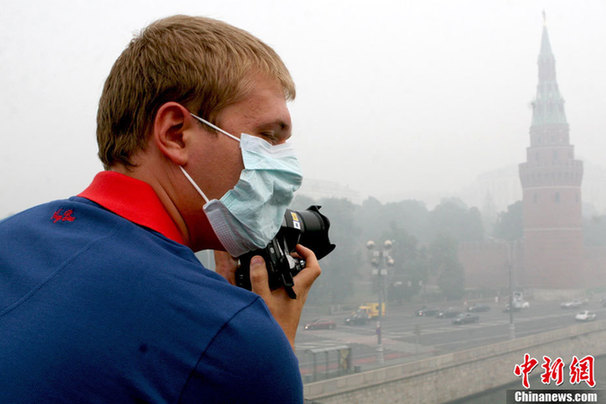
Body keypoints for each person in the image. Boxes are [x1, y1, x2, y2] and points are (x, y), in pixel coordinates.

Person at [0, 15, 321, 403]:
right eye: (268, 138)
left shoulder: (11, 237)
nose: (289, 168)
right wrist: (268, 341)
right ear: (175, 134)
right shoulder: (229, 339)